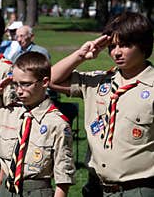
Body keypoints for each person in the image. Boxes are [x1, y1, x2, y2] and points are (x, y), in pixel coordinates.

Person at [50, 12, 154, 197]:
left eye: (125, 45)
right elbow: (50, 80)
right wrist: (81, 55)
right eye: (112, 46)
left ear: (144, 45)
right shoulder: (99, 82)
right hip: (96, 187)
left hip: (138, 189)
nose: (117, 52)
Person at [0, 51, 76, 197]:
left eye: (26, 84)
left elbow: (63, 178)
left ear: (45, 82)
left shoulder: (57, 123)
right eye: (15, 84)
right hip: (6, 190)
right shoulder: (7, 114)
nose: (19, 91)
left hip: (36, 190)